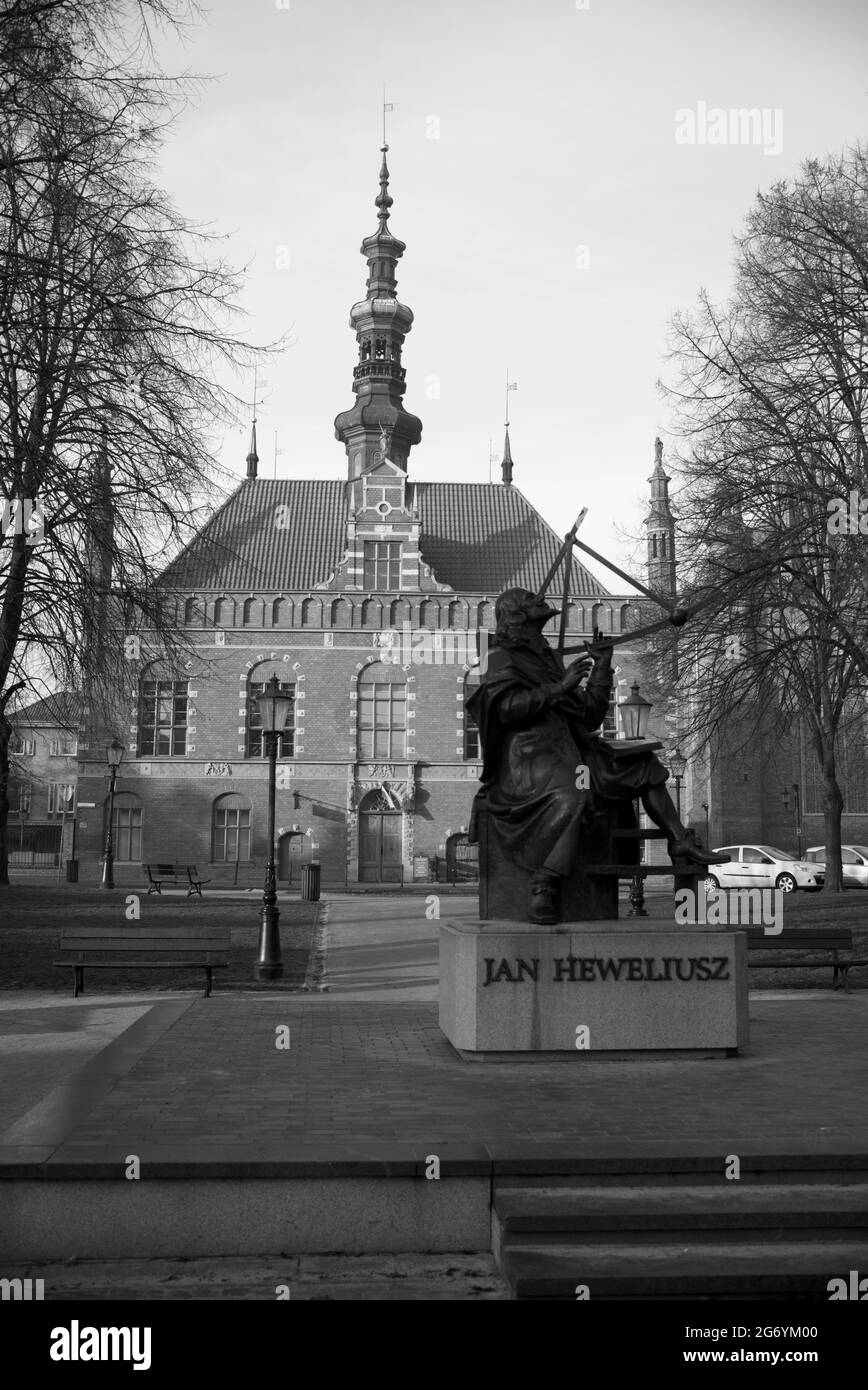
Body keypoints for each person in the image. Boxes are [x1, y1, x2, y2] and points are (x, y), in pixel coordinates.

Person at [467, 588, 727, 923]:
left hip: (571, 752)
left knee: (643, 766)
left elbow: (587, 716)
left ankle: (680, 843)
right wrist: (559, 688)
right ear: (516, 614)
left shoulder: (545, 657)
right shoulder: (497, 654)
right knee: (574, 794)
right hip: (528, 760)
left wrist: (602, 668)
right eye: (533, 600)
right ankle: (544, 884)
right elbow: (506, 709)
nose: (542, 602)